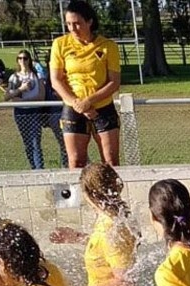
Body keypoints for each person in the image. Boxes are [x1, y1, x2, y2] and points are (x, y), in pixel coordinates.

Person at [50, 162, 139, 286]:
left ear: (91, 194)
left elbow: (125, 283)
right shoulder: (114, 218)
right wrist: (77, 237)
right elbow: (106, 248)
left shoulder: (110, 228)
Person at [50, 0, 121, 168]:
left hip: (102, 107)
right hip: (73, 108)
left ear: (89, 22)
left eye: (77, 24)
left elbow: (114, 82)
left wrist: (89, 101)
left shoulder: (107, 46)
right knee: (76, 161)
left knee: (110, 161)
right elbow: (56, 80)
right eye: (68, 24)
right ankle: (81, 194)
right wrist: (77, 103)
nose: (73, 29)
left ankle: (111, 194)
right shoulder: (60, 44)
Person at [4, 49, 48, 169]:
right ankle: (33, 166)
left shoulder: (36, 75)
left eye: (25, 58)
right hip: (20, 112)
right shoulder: (14, 77)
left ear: (29, 60)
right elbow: (7, 97)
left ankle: (39, 169)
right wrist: (21, 89)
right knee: (27, 142)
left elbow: (41, 97)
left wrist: (23, 100)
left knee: (35, 142)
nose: (22, 61)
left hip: (34, 111)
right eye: (20, 58)